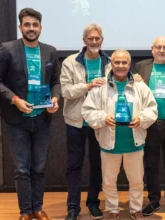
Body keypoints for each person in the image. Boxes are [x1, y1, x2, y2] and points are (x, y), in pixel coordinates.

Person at [0, 8, 60, 220]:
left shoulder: (50, 51)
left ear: (40, 28)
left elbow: (55, 81)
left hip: (41, 119)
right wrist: (15, 100)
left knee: (38, 168)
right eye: (27, 25)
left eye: (35, 25)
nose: (31, 28)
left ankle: (37, 208)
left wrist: (55, 99)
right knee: (22, 169)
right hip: (16, 119)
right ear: (20, 27)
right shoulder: (7, 49)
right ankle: (25, 212)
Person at [82, 50, 158, 220]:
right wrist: (102, 118)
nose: (121, 66)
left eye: (124, 63)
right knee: (108, 182)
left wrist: (141, 119)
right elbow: (87, 110)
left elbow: (152, 109)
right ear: (111, 64)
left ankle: (136, 208)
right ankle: (113, 209)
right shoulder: (100, 87)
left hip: (134, 142)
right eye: (117, 62)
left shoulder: (140, 86)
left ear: (129, 64)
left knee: (137, 181)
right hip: (109, 143)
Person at [60, 24, 108, 220]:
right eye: (91, 38)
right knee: (74, 166)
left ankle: (93, 202)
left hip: (99, 122)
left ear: (102, 40)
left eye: (97, 38)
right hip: (76, 122)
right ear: (84, 40)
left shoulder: (110, 62)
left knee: (97, 165)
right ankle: (73, 208)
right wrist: (87, 86)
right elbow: (65, 91)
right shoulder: (70, 62)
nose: (94, 42)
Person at [134, 36, 165, 217]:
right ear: (152, 49)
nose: (162, 50)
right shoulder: (142, 67)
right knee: (151, 165)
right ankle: (153, 201)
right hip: (149, 125)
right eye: (158, 47)